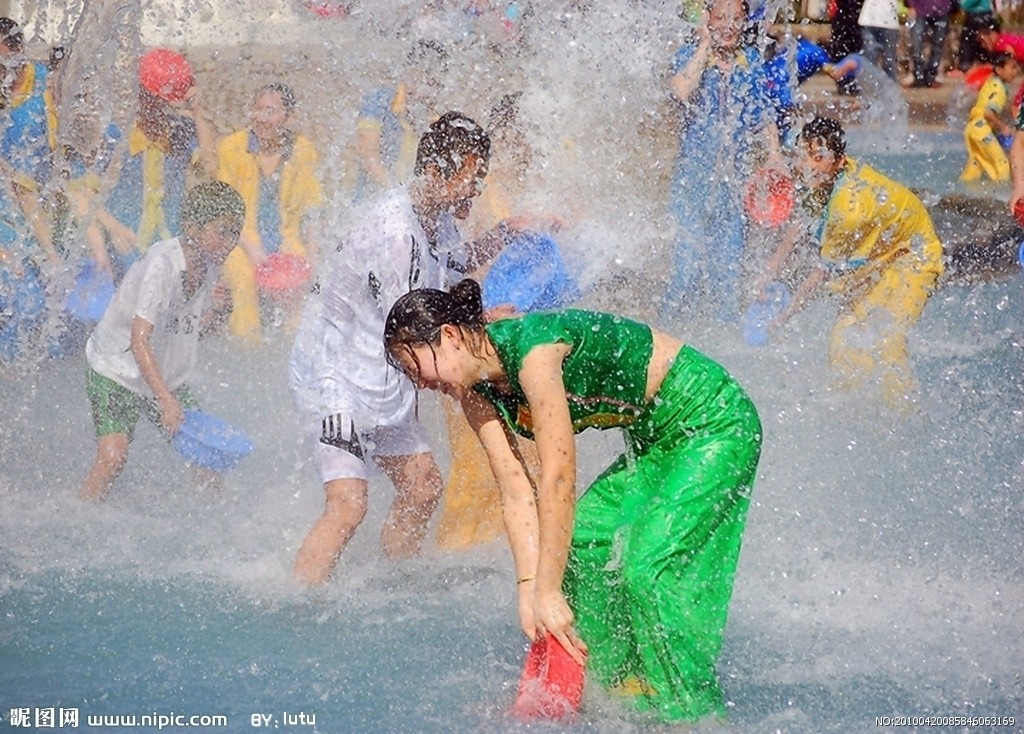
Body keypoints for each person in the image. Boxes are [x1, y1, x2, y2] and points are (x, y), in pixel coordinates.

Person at [383, 279, 762, 722]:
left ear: (449, 336)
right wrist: (530, 589)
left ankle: (693, 716)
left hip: (713, 419)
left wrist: (548, 589)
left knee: (648, 569)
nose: (421, 384)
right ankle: (624, 690)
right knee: (583, 543)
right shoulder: (476, 396)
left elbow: (558, 477)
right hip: (654, 440)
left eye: (416, 367)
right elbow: (516, 491)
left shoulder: (535, 354)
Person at [288, 112, 508, 585]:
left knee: (423, 487)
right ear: (435, 173)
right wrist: (485, 333)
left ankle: (393, 589)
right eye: (472, 179)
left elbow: (454, 271)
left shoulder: (437, 221)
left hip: (380, 371)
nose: (477, 190)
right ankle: (294, 609)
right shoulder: (395, 234)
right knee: (349, 507)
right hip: (335, 376)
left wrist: (506, 236)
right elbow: (417, 328)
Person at [758, 116, 944, 408]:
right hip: (883, 254)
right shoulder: (825, 176)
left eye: (817, 157)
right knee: (843, 337)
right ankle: (852, 410)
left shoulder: (848, 207)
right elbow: (799, 224)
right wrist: (768, 271)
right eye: (804, 154)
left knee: (887, 341)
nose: (808, 163)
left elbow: (819, 275)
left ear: (838, 160)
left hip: (915, 256)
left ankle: (906, 419)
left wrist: (784, 316)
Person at [79, 181, 244, 501]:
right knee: (113, 459)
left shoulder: (209, 265)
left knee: (207, 460)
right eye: (221, 231)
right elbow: (138, 340)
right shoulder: (163, 264)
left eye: (235, 232)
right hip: (116, 368)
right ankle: (78, 515)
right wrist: (166, 400)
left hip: (161, 373)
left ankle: (208, 526)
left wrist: (221, 313)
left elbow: (188, 330)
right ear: (192, 227)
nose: (230, 241)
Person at [666, 0, 780, 322]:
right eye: (720, 18)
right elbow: (681, 91)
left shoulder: (751, 62)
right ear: (708, 21)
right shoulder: (692, 57)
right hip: (692, 183)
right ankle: (663, 338)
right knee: (684, 270)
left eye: (736, 19)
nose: (729, 26)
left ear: (745, 23)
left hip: (733, 187)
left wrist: (774, 156)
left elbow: (765, 116)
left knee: (727, 274)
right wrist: (704, 43)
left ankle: (724, 346)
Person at [216, 83, 324, 341]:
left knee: (300, 295)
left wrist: (313, 256)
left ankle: (292, 356)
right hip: (240, 241)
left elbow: (312, 211)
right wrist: (253, 250)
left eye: (271, 111)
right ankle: (247, 351)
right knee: (244, 284)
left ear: (289, 118)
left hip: (286, 239)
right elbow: (224, 211)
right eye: (258, 109)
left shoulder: (302, 150)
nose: (261, 118)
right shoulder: (232, 148)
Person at [103, 49, 217, 254]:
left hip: (171, 243)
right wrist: (114, 228)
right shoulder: (116, 138)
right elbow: (81, 192)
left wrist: (197, 110)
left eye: (158, 101)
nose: (152, 106)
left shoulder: (179, 132)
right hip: (128, 245)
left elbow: (210, 167)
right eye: (146, 98)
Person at [961, 52, 1020, 183]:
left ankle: (964, 190)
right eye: (1012, 67)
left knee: (976, 165)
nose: (1016, 71)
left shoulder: (992, 82)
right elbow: (988, 112)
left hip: (972, 128)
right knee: (1002, 162)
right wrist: (1003, 127)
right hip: (982, 129)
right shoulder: (998, 88)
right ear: (999, 70)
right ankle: (1003, 195)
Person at [906, 0, 953, 88]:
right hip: (920, 9)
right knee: (916, 44)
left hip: (942, 11)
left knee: (938, 45)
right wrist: (911, 6)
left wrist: (950, 7)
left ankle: (931, 77)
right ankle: (918, 76)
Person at [858, 0, 902, 83]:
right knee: (869, 59)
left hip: (889, 22)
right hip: (868, 21)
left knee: (888, 61)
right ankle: (870, 87)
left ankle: (890, 90)